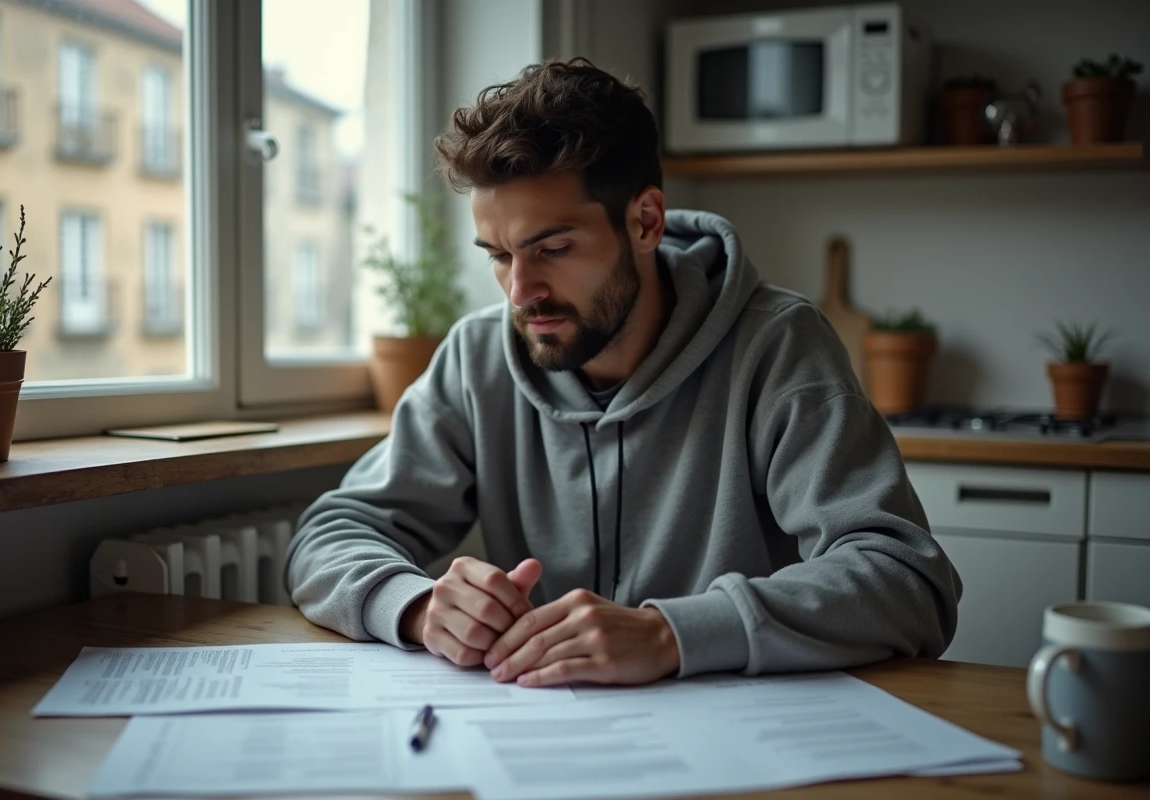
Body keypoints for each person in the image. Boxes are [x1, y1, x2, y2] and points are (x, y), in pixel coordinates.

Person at [285, 58, 961, 688]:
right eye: (498, 255)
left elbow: (907, 582)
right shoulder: (476, 358)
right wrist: (416, 605)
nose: (520, 291)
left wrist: (670, 634)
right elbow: (328, 535)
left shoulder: (778, 345)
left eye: (553, 248)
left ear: (645, 221)